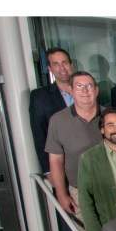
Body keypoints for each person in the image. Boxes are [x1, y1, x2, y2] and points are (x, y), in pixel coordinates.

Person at [45, 70, 104, 231]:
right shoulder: (58, 121)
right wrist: (62, 194)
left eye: (89, 85)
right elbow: (56, 160)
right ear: (71, 90)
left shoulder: (110, 116)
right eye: (79, 86)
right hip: (79, 191)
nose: (85, 90)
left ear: (96, 90)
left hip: (111, 189)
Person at [29, 47, 74, 175]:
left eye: (64, 62)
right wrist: (48, 171)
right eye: (56, 64)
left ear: (71, 64)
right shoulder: (40, 97)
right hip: (61, 165)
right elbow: (39, 134)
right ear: (49, 68)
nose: (62, 68)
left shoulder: (85, 91)